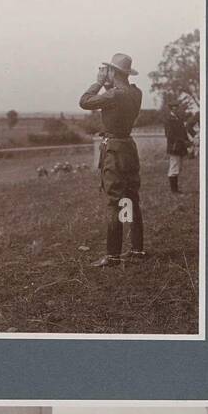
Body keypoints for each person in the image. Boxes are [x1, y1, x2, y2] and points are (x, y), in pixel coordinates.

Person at [78, 53, 144, 267]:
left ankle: (113, 256)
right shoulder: (135, 93)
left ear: (113, 72)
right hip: (128, 148)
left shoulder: (113, 95)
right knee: (131, 198)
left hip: (114, 151)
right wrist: (109, 83)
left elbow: (84, 102)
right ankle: (137, 249)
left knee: (115, 202)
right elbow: (118, 98)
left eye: (108, 70)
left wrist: (98, 82)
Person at [163, 97, 190, 194]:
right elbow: (169, 135)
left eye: (177, 107)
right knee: (174, 167)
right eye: (175, 107)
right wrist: (182, 140)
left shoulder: (178, 118)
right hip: (174, 146)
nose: (177, 108)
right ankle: (174, 190)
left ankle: (175, 189)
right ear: (171, 108)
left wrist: (186, 141)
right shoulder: (169, 120)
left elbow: (183, 132)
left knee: (178, 167)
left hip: (179, 145)